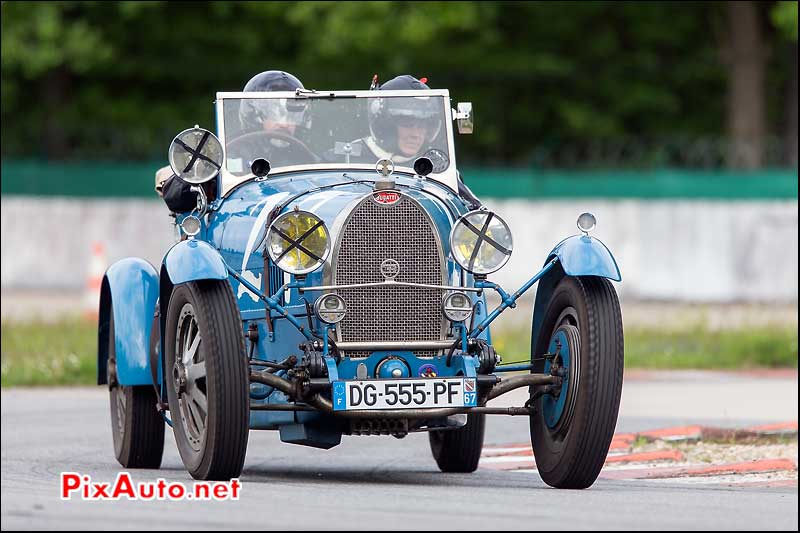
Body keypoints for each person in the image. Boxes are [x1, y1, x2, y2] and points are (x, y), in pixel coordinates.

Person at [156, 70, 307, 213]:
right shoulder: (227, 152)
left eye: (292, 116)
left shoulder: (306, 156)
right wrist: (201, 174)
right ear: (255, 113)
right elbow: (175, 199)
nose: (284, 123)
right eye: (274, 113)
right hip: (239, 223)